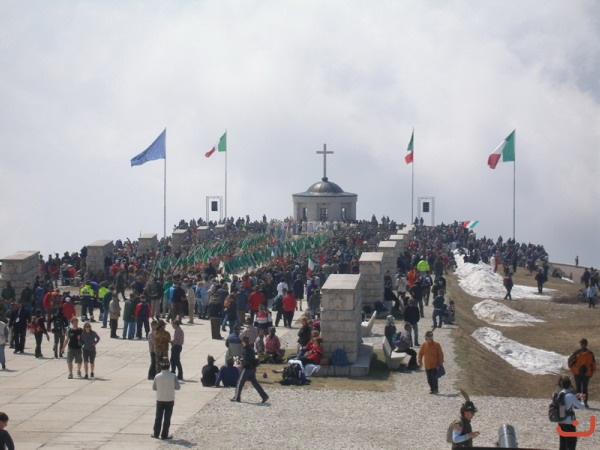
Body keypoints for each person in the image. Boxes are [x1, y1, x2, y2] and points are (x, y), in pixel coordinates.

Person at [231, 336, 269, 403]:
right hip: (252, 368)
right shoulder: (251, 348)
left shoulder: (245, 350)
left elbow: (246, 361)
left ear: (243, 342)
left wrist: (240, 365)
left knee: (240, 382)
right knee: (255, 383)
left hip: (247, 368)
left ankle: (237, 397)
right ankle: (264, 396)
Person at [152, 357, 181, 440]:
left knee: (158, 417)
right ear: (169, 366)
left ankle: (156, 433)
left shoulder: (157, 376)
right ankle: (164, 435)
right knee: (167, 418)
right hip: (169, 399)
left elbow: (154, 388)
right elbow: (178, 387)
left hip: (160, 399)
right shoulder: (173, 376)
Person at [556, 375, 586, 450]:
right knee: (571, 444)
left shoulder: (559, 394)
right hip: (569, 423)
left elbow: (565, 401)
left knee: (563, 444)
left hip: (561, 422)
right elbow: (582, 407)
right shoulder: (570, 395)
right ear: (569, 384)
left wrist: (574, 396)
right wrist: (582, 399)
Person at [569, 338, 595, 408]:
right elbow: (593, 364)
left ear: (581, 344)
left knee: (578, 388)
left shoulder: (577, 352)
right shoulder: (590, 353)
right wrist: (591, 372)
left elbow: (570, 361)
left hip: (577, 372)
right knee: (585, 388)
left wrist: (572, 368)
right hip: (587, 373)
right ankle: (585, 403)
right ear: (586, 344)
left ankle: (578, 403)